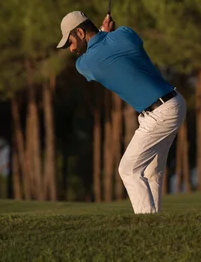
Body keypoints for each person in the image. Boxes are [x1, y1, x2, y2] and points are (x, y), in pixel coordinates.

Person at [56, 11, 186, 214]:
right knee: (151, 170)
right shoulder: (125, 33)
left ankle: (147, 226)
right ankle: (156, 223)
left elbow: (100, 53)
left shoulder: (85, 64)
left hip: (160, 114)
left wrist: (103, 33)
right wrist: (107, 34)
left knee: (129, 169)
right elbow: (119, 45)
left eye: (70, 42)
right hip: (174, 103)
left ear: (80, 32)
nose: (71, 49)